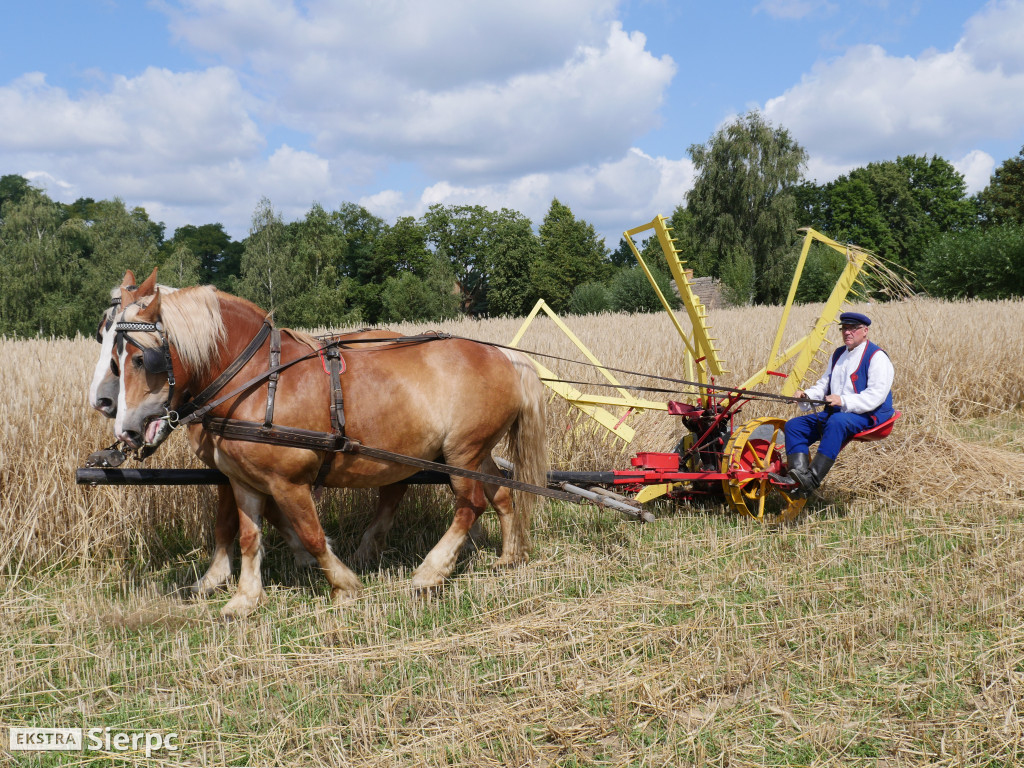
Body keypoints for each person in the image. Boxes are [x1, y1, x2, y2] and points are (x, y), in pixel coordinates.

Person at [783, 311, 895, 495]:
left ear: (865, 330)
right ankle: (799, 476)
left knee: (837, 422)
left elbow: (876, 396)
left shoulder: (877, 357)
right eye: (844, 328)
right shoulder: (838, 354)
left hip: (867, 416)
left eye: (853, 328)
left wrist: (843, 400)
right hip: (838, 414)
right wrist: (806, 395)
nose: (847, 332)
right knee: (794, 426)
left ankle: (812, 479)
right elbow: (825, 384)